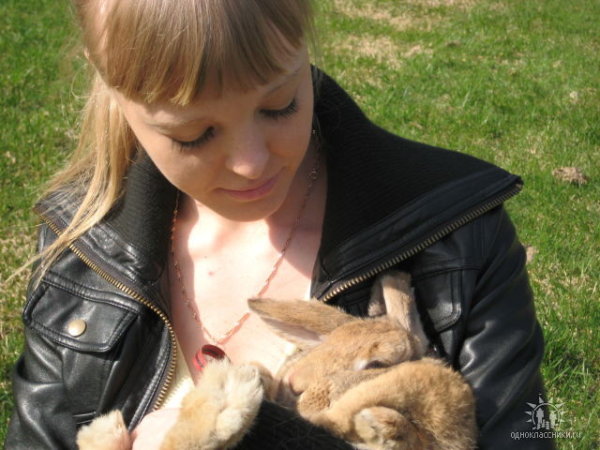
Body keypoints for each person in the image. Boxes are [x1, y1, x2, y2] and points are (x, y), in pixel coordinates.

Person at [5, 0, 555, 449]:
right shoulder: (80, 246)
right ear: (105, 77)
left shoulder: (458, 231)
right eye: (193, 135)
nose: (251, 164)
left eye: (280, 105)